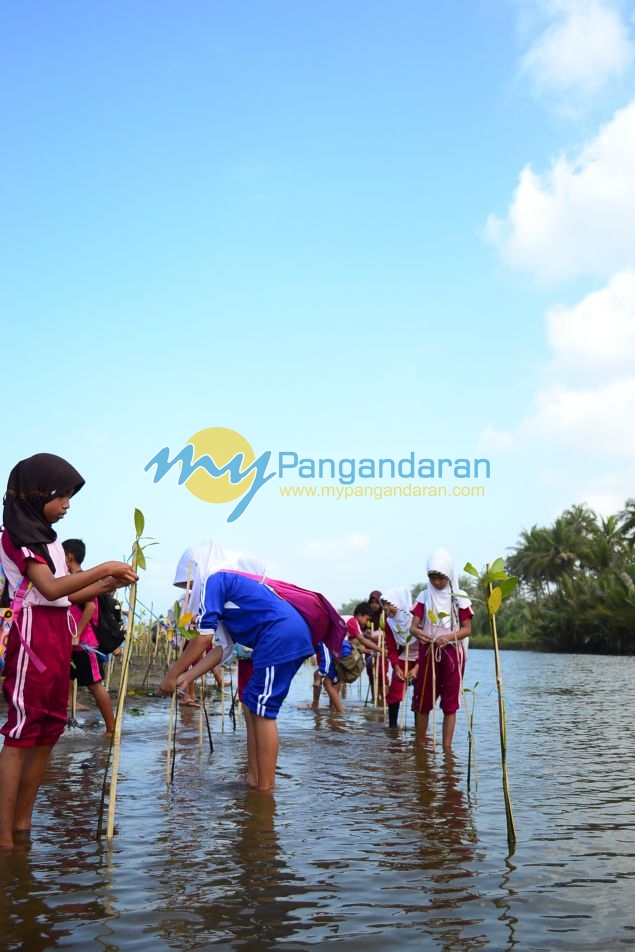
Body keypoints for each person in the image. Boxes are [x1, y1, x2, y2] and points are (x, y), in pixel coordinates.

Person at [0, 453, 137, 850]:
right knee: (22, 730)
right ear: (35, 494)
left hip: (58, 632)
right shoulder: (17, 536)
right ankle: (4, 835)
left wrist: (109, 583)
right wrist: (104, 566)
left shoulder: (50, 541)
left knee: (49, 729)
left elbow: (69, 594)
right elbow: (51, 589)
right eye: (61, 496)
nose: (67, 505)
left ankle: (22, 823)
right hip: (32, 636)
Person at [159, 569, 315, 792]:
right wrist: (187, 677)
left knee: (263, 710)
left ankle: (265, 791)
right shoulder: (227, 593)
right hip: (277, 637)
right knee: (252, 704)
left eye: (191, 585)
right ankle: (254, 780)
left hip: (280, 636)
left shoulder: (215, 581)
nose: (192, 591)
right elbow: (223, 648)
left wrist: (172, 675)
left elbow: (203, 640)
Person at [410, 549, 473, 749]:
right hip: (428, 651)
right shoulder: (424, 595)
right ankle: (420, 745)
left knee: (450, 702)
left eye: (441, 577)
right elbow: (414, 625)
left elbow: (466, 629)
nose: (437, 581)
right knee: (422, 699)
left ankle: (446, 748)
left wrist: (447, 637)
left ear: (449, 575)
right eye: (433, 577)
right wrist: (416, 632)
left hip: (452, 653)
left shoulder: (459, 596)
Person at [63, 539, 116, 736]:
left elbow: (90, 607)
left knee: (95, 686)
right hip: (70, 643)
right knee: (62, 683)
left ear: (69, 556)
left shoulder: (81, 578)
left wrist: (76, 634)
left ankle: (111, 729)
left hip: (85, 644)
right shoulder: (69, 578)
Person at [382, 587, 418, 729]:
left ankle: (418, 728)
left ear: (399, 603)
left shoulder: (416, 619)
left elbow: (425, 645)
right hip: (402, 658)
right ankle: (392, 729)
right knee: (395, 693)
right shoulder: (390, 623)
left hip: (421, 659)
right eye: (384, 604)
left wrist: (417, 668)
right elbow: (391, 649)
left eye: (389, 604)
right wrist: (396, 667)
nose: (385, 608)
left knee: (420, 695)